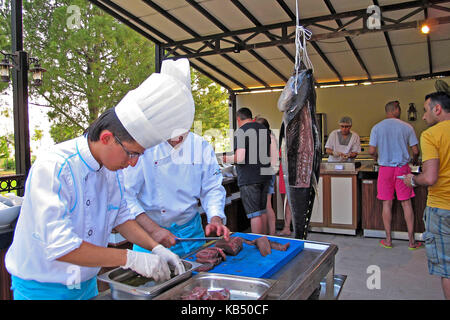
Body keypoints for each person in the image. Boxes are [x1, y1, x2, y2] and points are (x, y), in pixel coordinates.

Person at [5, 58, 195, 300]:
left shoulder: (111, 170)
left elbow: (121, 216)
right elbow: (61, 246)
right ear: (106, 138)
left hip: (86, 284)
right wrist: (130, 258)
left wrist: (154, 247)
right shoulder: (54, 166)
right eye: (132, 153)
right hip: (41, 289)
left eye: (140, 155)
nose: (134, 162)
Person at [123, 130, 230, 257]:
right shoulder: (143, 147)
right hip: (150, 240)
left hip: (192, 236)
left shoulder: (199, 145)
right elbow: (126, 196)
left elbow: (212, 187)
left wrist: (215, 217)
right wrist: (154, 230)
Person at [402, 92, 450, 299]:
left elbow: (430, 177)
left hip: (441, 208)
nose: (423, 116)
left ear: (437, 109)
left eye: (425, 110)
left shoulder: (431, 134)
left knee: (447, 267)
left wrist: (413, 180)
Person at [369, 100, 421, 249]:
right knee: (406, 203)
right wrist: (414, 161)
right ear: (396, 110)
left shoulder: (377, 128)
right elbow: (415, 151)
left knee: (387, 203)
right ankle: (411, 241)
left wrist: (377, 157)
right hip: (402, 169)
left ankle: (388, 240)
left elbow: (371, 151)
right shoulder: (407, 127)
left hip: (385, 169)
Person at [222, 108, 271, 234]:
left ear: (238, 119)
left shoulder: (242, 131)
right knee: (262, 211)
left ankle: (259, 243)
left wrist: (226, 158)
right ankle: (266, 239)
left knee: (254, 215)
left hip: (250, 178)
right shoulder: (263, 130)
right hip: (265, 176)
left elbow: (240, 157)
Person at [254, 117, 279, 235]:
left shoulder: (269, 139)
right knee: (265, 205)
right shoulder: (267, 138)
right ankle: (268, 233)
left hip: (266, 174)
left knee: (266, 205)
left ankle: (270, 234)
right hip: (266, 173)